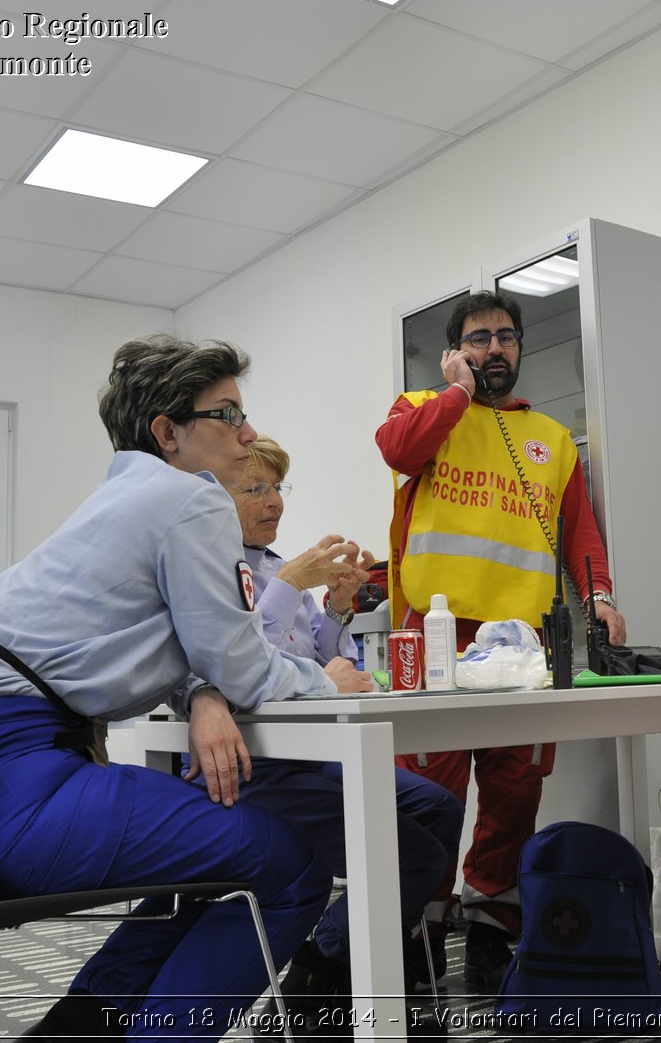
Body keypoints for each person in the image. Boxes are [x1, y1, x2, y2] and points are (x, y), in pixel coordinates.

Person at [0, 335, 342, 1040]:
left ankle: (74, 1033)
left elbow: (196, 645)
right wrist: (334, 681)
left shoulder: (122, 497)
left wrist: (202, 689)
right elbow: (245, 666)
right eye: (228, 414)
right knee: (292, 868)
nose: (248, 435)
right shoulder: (191, 502)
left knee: (200, 863)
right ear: (168, 431)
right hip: (29, 789)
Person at [375, 291, 626, 992]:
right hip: (436, 639)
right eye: (479, 338)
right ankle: (415, 933)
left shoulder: (549, 439)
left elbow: (579, 531)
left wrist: (600, 597)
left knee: (514, 796)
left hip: (524, 646)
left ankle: (489, 924)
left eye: (506, 337)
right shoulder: (422, 405)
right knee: (429, 799)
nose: (495, 349)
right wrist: (454, 392)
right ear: (456, 348)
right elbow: (398, 450)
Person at [220, 436, 463, 1029]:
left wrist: (335, 608)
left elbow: (326, 658)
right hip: (255, 765)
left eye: (277, 487)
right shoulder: (216, 569)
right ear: (215, 498)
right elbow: (244, 665)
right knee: (414, 853)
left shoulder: (280, 570)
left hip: (313, 755)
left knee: (438, 806)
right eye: (255, 489)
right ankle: (323, 963)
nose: (273, 501)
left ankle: (356, 953)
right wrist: (289, 589)